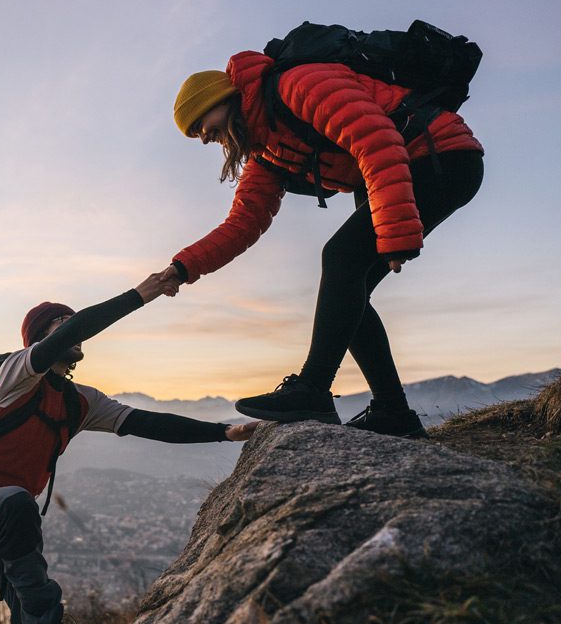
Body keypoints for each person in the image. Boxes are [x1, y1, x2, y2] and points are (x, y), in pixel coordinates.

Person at [0, 275, 259, 624]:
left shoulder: (78, 401)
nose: (71, 327)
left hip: (8, 520)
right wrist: (145, 292)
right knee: (22, 529)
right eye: (60, 324)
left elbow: (145, 422)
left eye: (71, 321)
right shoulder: (15, 375)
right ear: (39, 339)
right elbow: (78, 326)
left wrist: (222, 432)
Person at [161, 49, 484, 438]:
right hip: (399, 170)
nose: (204, 138)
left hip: (440, 154)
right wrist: (182, 267)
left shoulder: (298, 84)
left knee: (341, 259)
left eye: (201, 124)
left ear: (221, 100)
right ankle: (392, 410)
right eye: (195, 134)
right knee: (349, 289)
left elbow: (375, 139)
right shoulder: (266, 150)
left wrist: (396, 231)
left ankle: (313, 388)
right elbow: (243, 223)